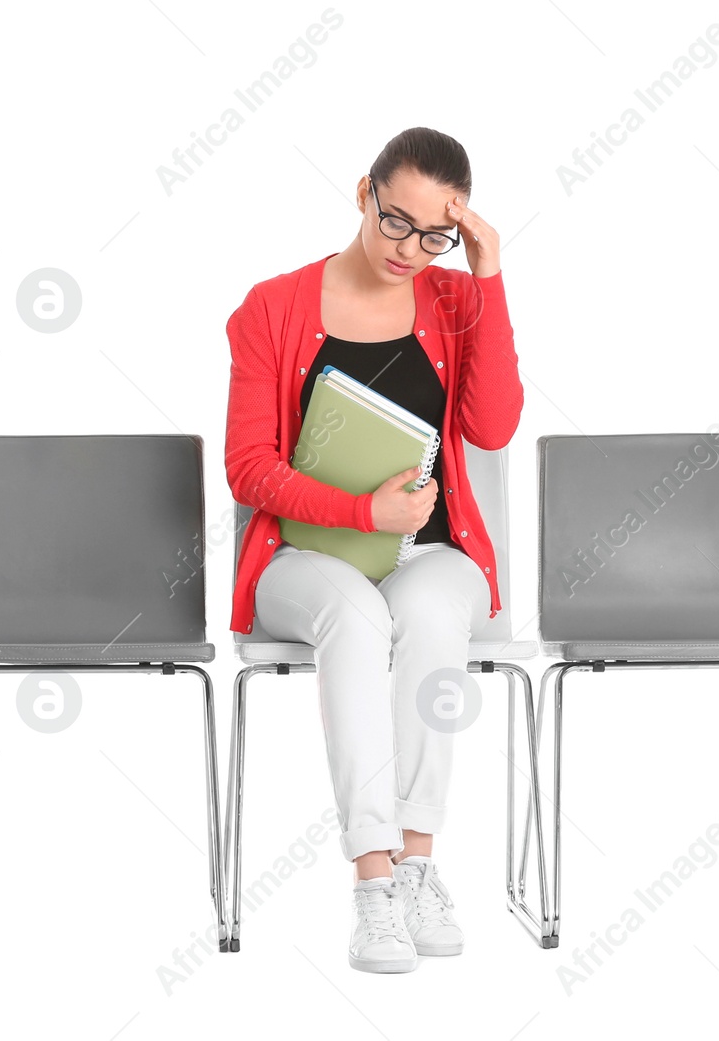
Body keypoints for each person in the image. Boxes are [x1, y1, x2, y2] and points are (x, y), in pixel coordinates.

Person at [224, 126, 523, 972]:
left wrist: (487, 273)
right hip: (305, 561)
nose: (410, 251)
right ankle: (374, 881)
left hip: (427, 553)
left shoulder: (456, 302)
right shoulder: (272, 308)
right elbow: (249, 469)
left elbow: (493, 424)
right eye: (398, 223)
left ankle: (421, 861)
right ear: (364, 192)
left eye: (437, 236)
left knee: (430, 608)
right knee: (354, 615)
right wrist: (363, 510)